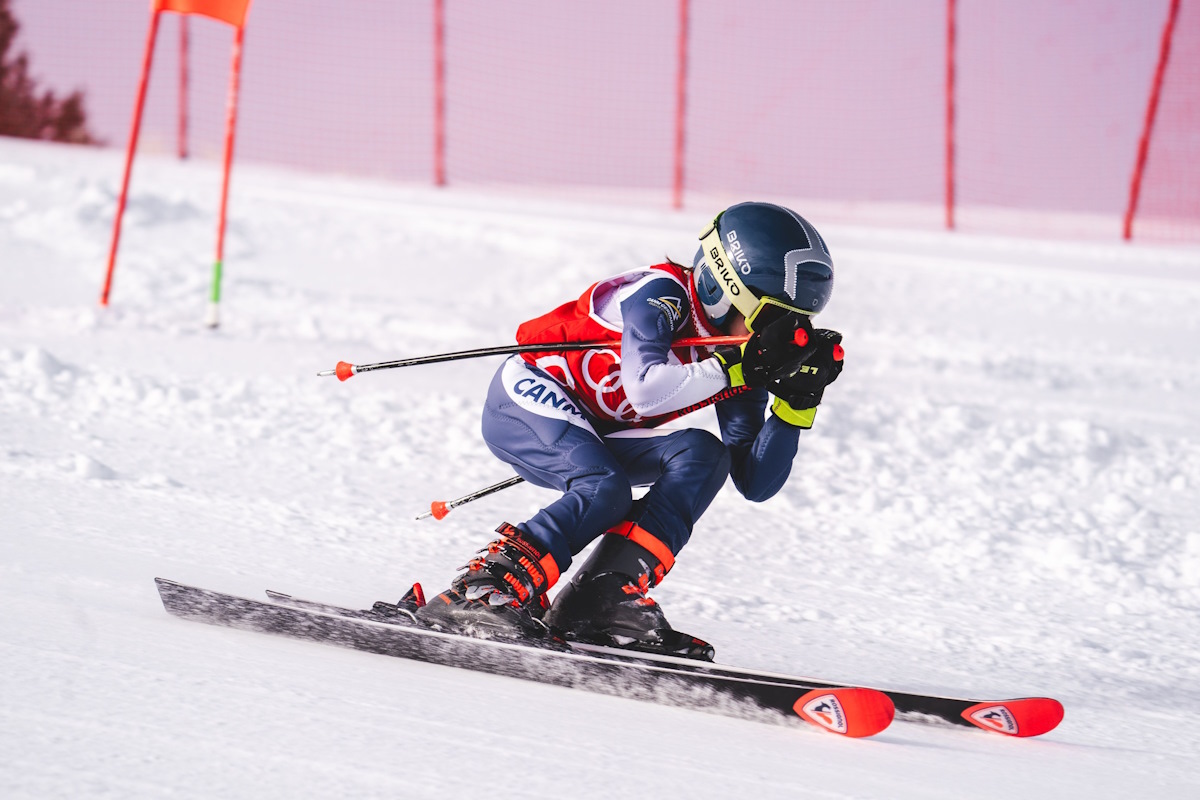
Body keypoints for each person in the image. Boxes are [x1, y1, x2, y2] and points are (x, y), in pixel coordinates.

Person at [415, 202, 844, 661]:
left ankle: (602, 597)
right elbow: (645, 391)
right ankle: (483, 587)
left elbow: (755, 481)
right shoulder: (663, 294)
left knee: (704, 455)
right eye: (777, 319)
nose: (787, 335)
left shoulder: (737, 354)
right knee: (606, 488)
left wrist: (797, 404)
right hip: (526, 397)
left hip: (590, 429)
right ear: (724, 289)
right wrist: (739, 369)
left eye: (800, 323)